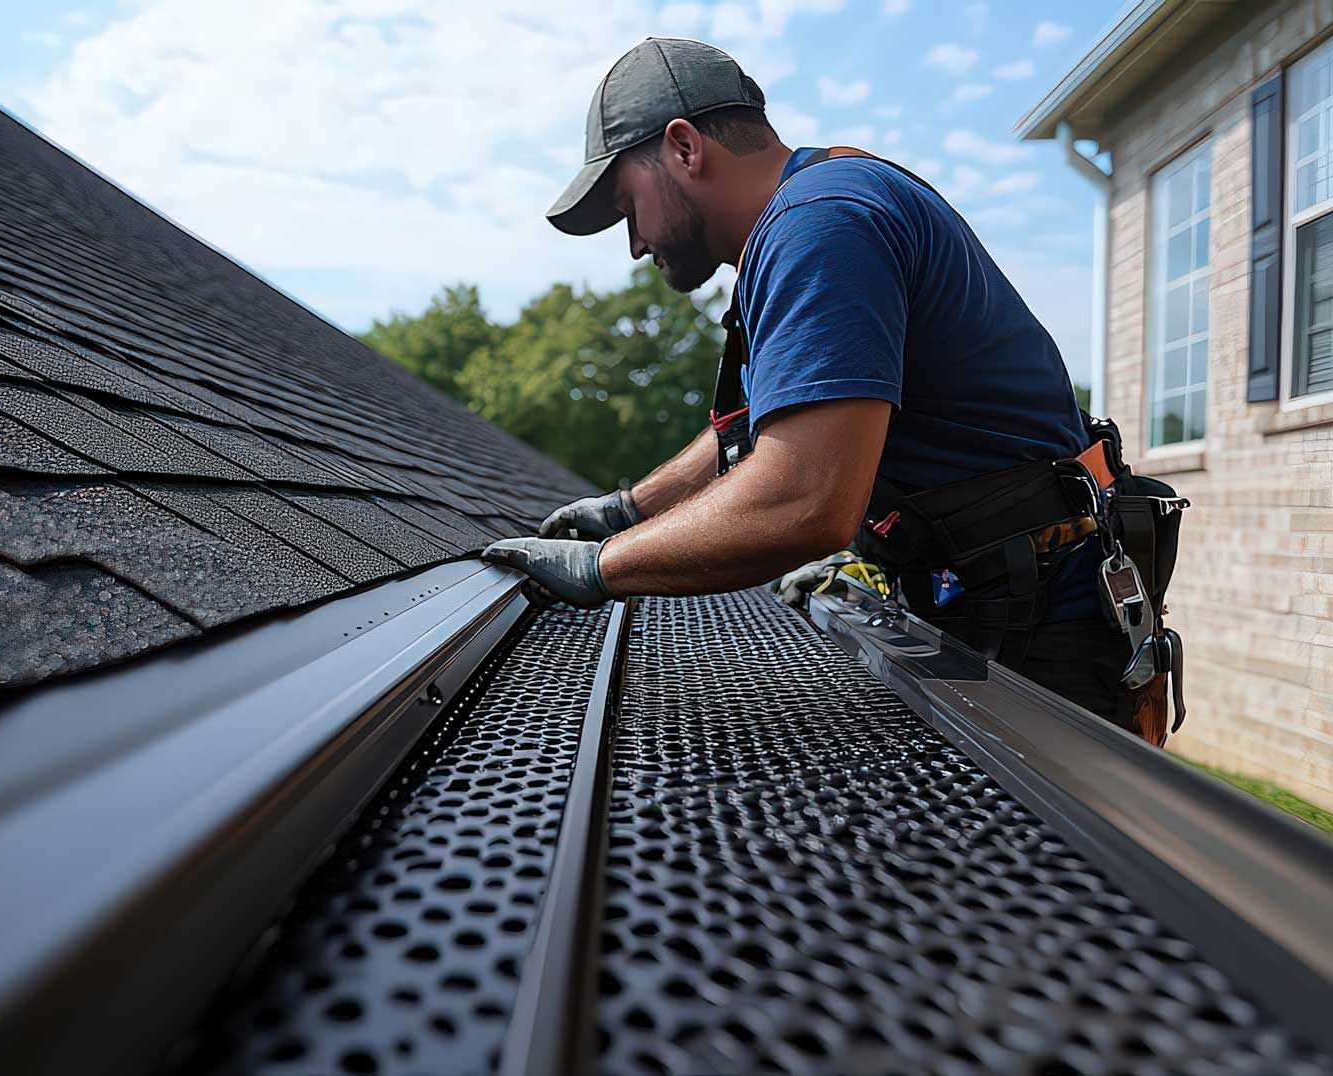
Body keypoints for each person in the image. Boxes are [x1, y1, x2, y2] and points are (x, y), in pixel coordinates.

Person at [484, 38, 1181, 743]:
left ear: (684, 148)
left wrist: (601, 568)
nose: (633, 242)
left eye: (625, 204)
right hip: (1001, 609)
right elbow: (763, 427)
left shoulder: (822, 224)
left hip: (1044, 641)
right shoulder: (817, 206)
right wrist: (628, 510)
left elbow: (803, 497)